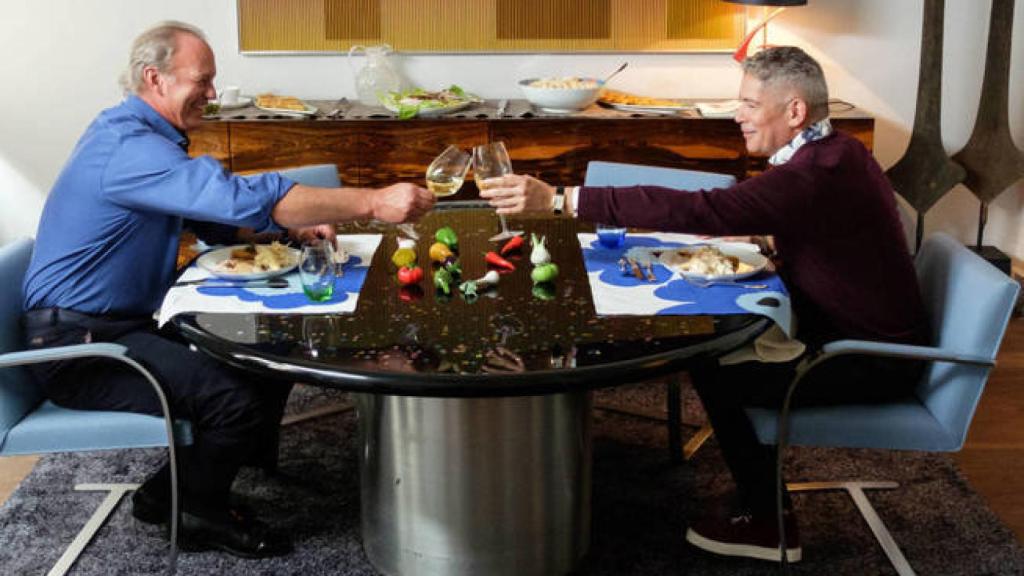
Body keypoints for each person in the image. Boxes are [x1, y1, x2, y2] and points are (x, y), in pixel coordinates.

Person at [480, 46, 928, 564]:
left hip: (869, 359)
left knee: (717, 371)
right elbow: (817, 227)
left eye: (750, 104)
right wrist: (768, 241)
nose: (738, 115)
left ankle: (770, 525)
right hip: (854, 331)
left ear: (795, 111)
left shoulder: (815, 172)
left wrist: (562, 199)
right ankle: (758, 499)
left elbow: (705, 208)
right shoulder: (838, 152)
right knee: (713, 347)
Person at [21, 21, 434, 558]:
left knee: (265, 357)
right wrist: (373, 201)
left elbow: (212, 218)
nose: (213, 94)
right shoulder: (127, 147)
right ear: (155, 78)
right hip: (79, 347)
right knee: (231, 401)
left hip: (115, 325)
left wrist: (286, 232)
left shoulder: (139, 137)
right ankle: (196, 512)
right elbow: (239, 198)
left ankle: (173, 488)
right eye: (203, 80)